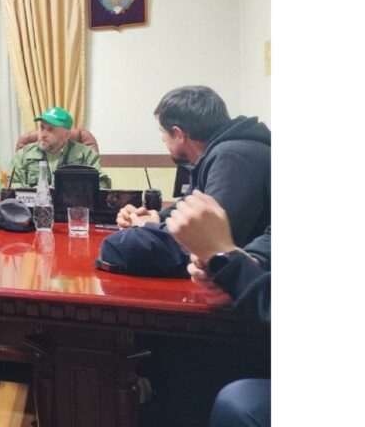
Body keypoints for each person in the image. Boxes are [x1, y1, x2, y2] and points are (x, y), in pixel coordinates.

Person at [145, 191, 270, 427]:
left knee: (238, 399)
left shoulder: (235, 164)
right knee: (184, 354)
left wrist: (230, 265)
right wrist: (243, 262)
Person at [116, 86, 271, 251]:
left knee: (117, 247)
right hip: (239, 263)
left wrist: (151, 227)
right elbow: (188, 208)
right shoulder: (219, 153)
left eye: (163, 133)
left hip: (252, 266)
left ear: (178, 134)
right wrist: (154, 218)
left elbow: (210, 238)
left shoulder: (232, 157)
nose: (163, 139)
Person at [9, 106, 110, 189]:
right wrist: (32, 192)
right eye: (42, 128)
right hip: (32, 207)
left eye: (50, 130)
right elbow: (9, 185)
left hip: (71, 206)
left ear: (66, 135)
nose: (43, 134)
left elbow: (102, 185)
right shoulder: (23, 155)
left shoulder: (86, 155)